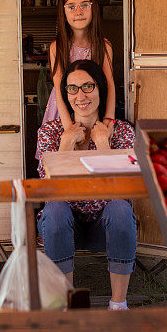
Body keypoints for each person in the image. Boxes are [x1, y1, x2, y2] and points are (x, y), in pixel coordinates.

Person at [36, 59, 136, 311]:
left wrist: (104, 146)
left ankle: (118, 304)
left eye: (88, 86)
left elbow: (126, 189)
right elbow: (47, 189)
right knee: (55, 209)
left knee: (121, 209)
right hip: (65, 227)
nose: (80, 95)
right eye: (72, 88)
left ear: (100, 89)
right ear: (66, 94)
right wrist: (65, 146)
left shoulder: (122, 132)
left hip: (105, 227)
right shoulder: (50, 132)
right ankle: (66, 308)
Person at [42, 0, 116, 130]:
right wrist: (69, 127)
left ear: (93, 9)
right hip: (62, 112)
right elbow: (58, 88)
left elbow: (110, 85)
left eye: (84, 5)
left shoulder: (104, 46)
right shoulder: (57, 47)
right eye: (71, 7)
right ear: (64, 13)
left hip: (92, 108)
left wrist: (109, 119)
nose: (78, 11)